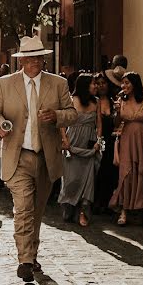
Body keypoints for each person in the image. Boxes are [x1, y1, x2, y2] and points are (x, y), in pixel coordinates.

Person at [0, 36, 77, 283]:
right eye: (31, 57)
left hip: (46, 158)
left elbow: (72, 114)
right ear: (22, 60)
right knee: (23, 208)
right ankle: (25, 260)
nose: (36, 61)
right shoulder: (5, 84)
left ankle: (32, 254)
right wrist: (1, 125)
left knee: (36, 211)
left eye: (39, 56)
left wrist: (56, 115)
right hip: (18, 156)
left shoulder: (58, 84)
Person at [109, 72, 143, 225]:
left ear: (134, 84)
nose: (123, 86)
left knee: (142, 172)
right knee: (126, 173)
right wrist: (117, 111)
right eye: (122, 83)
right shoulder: (121, 101)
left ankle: (139, 207)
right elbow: (116, 123)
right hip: (127, 139)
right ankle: (124, 210)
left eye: (127, 83)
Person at [57, 73, 103, 226]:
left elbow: (99, 125)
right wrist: (65, 139)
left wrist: (99, 141)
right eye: (93, 83)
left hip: (89, 144)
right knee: (71, 178)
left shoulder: (96, 102)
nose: (96, 86)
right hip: (73, 143)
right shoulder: (70, 100)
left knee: (88, 179)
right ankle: (69, 204)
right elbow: (62, 122)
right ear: (84, 85)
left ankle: (83, 210)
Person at [93, 72, 119, 213]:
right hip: (96, 139)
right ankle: (95, 201)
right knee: (97, 171)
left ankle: (107, 201)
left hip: (111, 140)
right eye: (98, 83)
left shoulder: (114, 101)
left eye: (103, 83)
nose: (101, 86)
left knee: (110, 172)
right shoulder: (92, 101)